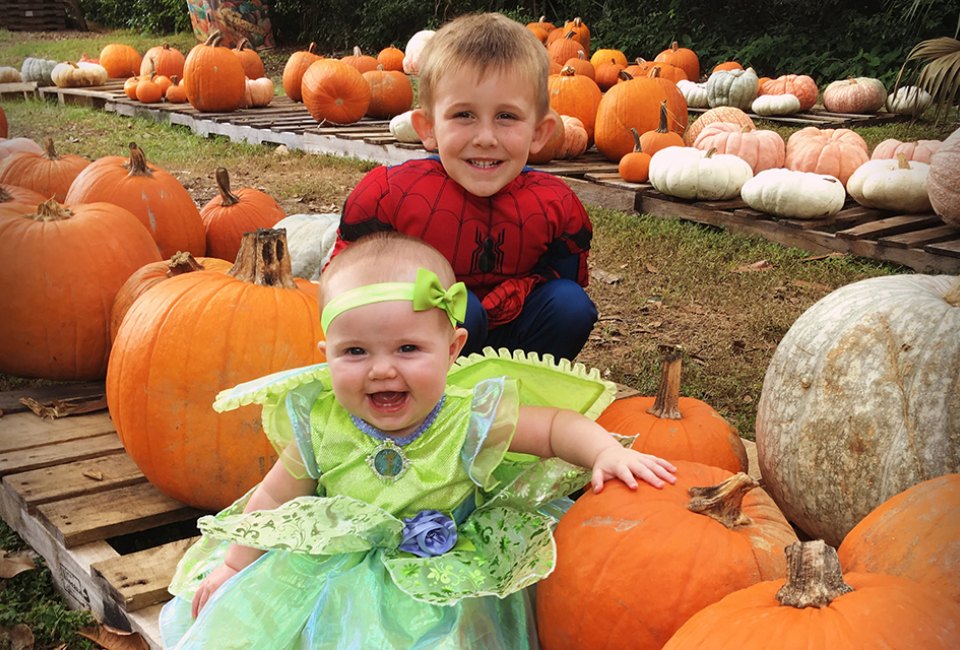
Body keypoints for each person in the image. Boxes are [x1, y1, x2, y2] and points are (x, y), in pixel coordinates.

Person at [159, 232, 676, 649]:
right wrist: (232, 565)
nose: (382, 370)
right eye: (356, 352)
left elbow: (556, 428)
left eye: (408, 348)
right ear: (326, 355)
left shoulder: (469, 418)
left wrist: (604, 450)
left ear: (452, 349)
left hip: (446, 582)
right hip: (335, 574)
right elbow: (274, 499)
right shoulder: (323, 424)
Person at [332, 12, 598, 361]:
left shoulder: (555, 203)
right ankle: (436, 397)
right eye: (463, 115)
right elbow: (345, 285)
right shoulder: (389, 194)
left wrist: (511, 294)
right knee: (463, 307)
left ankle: (523, 388)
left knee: (570, 305)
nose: (485, 138)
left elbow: (563, 280)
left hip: (514, 328)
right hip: (416, 342)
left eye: (506, 116)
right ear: (427, 127)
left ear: (539, 132)